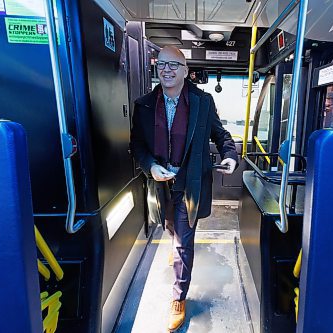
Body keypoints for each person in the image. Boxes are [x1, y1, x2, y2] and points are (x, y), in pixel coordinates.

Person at [130, 46, 238, 332]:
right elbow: (137, 145)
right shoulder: (143, 105)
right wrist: (150, 166)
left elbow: (221, 134)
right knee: (169, 227)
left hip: (190, 183)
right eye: (161, 64)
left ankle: (178, 297)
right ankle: (174, 242)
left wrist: (230, 154)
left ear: (186, 71)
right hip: (161, 182)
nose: (166, 69)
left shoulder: (202, 102)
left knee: (183, 242)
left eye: (173, 65)